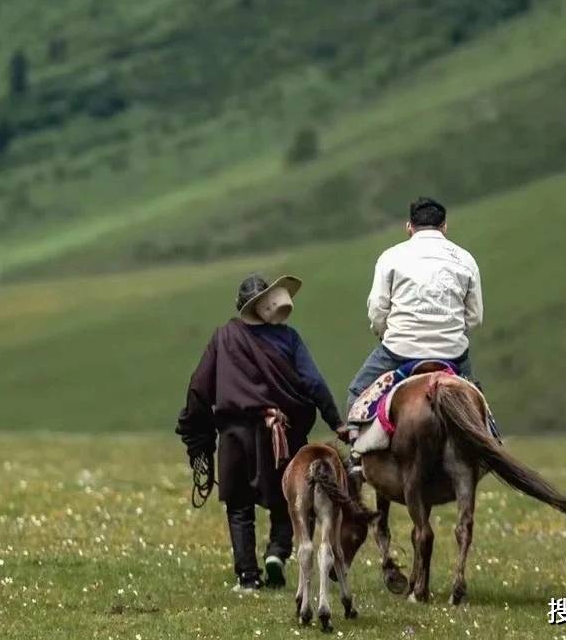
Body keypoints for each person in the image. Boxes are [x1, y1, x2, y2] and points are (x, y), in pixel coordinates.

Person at [176, 273, 349, 594]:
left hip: (235, 435)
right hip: (282, 432)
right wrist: (334, 419)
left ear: (241, 306)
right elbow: (313, 383)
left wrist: (193, 428)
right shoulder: (289, 338)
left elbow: (200, 387)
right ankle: (277, 554)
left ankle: (248, 577)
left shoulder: (223, 337)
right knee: (288, 500)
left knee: (239, 506)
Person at [344, 197, 492, 467]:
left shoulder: (391, 256)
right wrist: (449, 332)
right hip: (453, 353)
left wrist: (385, 332)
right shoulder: (466, 259)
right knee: (478, 400)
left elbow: (377, 309)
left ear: (409, 227)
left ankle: (356, 457)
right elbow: (475, 316)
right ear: (444, 227)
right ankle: (490, 445)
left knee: (357, 391)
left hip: (400, 351)